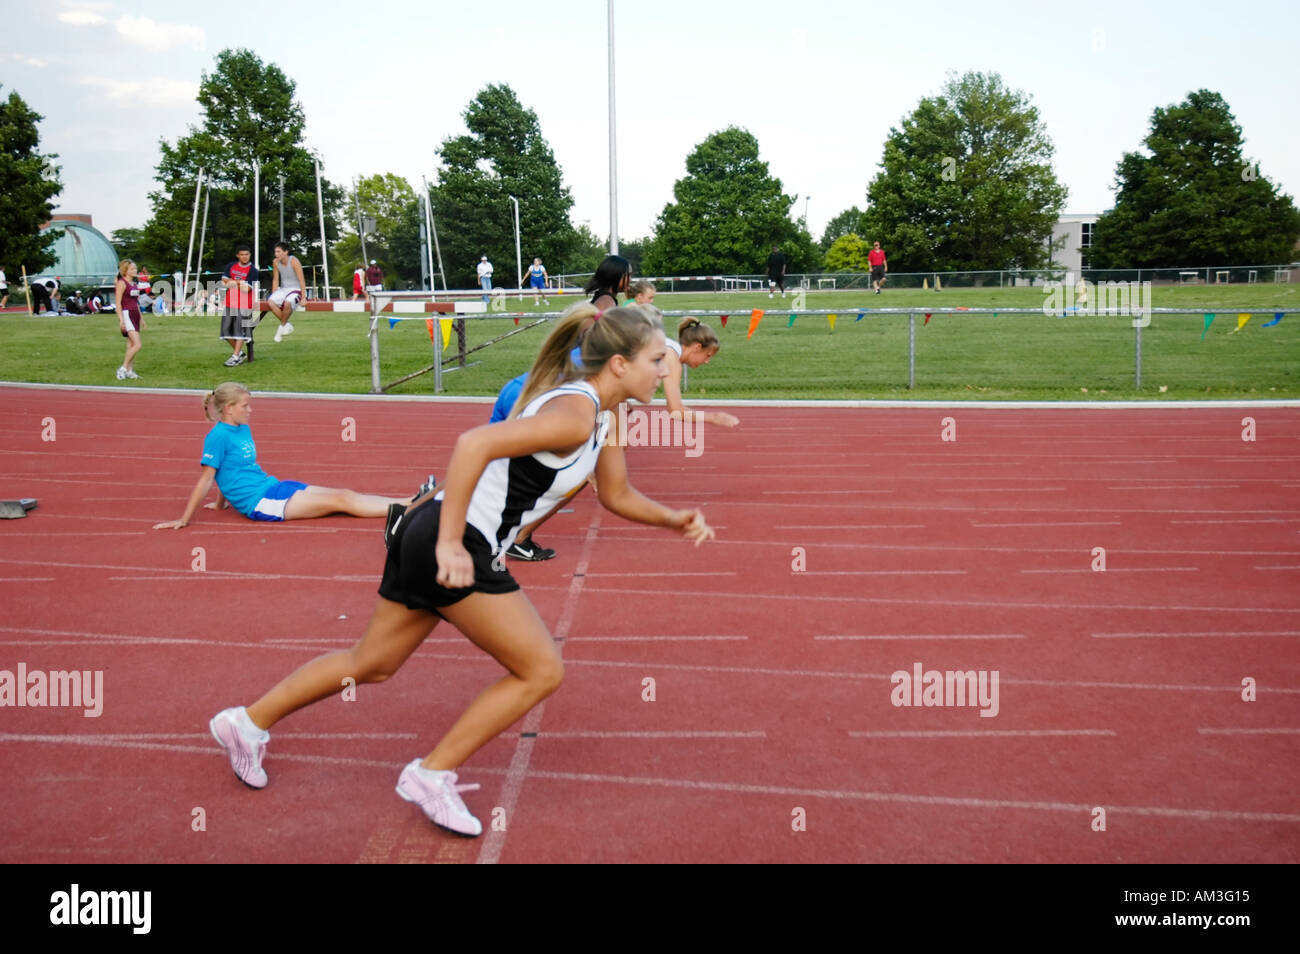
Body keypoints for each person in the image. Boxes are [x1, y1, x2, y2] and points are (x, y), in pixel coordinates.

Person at [206, 305, 714, 838]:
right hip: (450, 540)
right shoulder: (576, 413)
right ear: (617, 364)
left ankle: (246, 723)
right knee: (541, 670)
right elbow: (472, 443)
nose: (664, 369)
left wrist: (671, 518)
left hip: (426, 532)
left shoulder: (602, 417)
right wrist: (451, 543)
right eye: (656, 358)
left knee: (372, 663)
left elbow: (616, 494)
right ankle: (431, 774)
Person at [153, 383, 416, 530]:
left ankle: (411, 500)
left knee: (344, 493)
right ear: (229, 409)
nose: (251, 410)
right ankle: (411, 507)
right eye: (246, 406)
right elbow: (207, 478)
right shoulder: (218, 436)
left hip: (274, 486)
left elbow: (231, 468)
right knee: (341, 501)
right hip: (260, 503)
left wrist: (221, 504)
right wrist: (184, 519)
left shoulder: (241, 428)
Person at [659, 316, 741, 428]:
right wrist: (713, 417)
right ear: (697, 347)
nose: (707, 361)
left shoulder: (670, 351)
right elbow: (675, 410)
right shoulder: (671, 357)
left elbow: (673, 408)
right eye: (707, 355)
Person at [221, 244, 257, 367]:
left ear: (250, 255)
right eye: (242, 254)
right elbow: (224, 282)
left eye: (247, 254)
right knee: (225, 332)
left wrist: (232, 282)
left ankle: (235, 356)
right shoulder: (230, 266)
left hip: (245, 305)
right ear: (238, 255)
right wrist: (239, 282)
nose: (245, 257)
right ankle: (241, 353)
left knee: (240, 332)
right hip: (229, 302)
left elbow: (247, 289)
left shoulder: (253, 270)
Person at [267, 241, 305, 343]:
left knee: (288, 303)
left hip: (296, 290)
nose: (276, 254)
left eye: (279, 252)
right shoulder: (275, 262)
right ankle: (287, 325)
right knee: (270, 302)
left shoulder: (294, 261)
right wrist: (274, 294)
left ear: (286, 252)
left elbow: (302, 280)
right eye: (275, 252)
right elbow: (275, 279)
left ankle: (280, 330)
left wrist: (304, 298)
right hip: (284, 289)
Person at [114, 262, 144, 380]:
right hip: (127, 314)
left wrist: (141, 318)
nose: (135, 270)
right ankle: (123, 368)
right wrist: (121, 320)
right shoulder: (122, 283)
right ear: (126, 271)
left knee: (130, 345)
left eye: (135, 268)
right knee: (137, 344)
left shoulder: (134, 284)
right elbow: (118, 303)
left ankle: (130, 371)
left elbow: (135, 302)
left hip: (135, 314)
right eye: (132, 269)